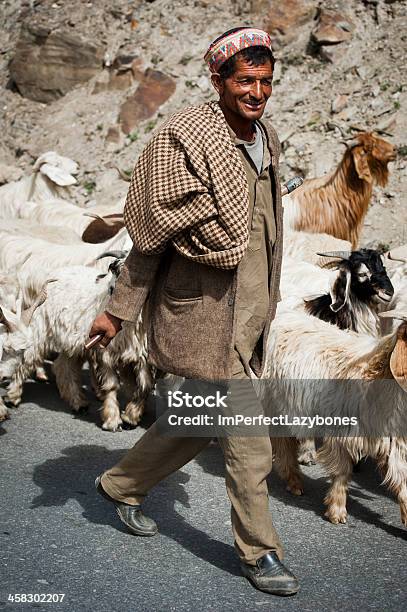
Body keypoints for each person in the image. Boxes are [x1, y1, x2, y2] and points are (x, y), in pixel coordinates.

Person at [89, 27, 299, 597]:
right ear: (219, 80)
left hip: (252, 310)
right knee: (248, 438)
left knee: (197, 419)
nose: (257, 92)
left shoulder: (265, 137)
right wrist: (118, 311)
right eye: (245, 81)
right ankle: (261, 554)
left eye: (265, 81)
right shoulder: (187, 138)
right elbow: (152, 235)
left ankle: (120, 485)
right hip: (207, 313)